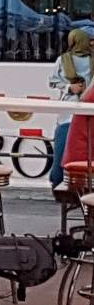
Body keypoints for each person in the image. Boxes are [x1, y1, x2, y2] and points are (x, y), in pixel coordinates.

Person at [49, 29, 92, 187]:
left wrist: (69, 88)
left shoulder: (62, 60)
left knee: (61, 151)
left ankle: (59, 183)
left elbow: (53, 81)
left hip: (67, 112)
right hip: (88, 114)